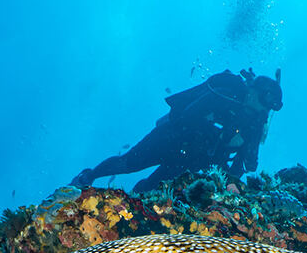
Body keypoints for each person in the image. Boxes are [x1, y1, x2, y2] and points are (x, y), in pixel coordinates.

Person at [73, 68, 282, 192]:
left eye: (269, 107)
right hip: (172, 137)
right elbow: (189, 114)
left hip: (191, 159)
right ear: (256, 93)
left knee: (151, 188)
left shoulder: (255, 124)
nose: (265, 109)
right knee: (128, 163)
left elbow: (247, 164)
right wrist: (217, 134)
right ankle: (88, 177)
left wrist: (235, 176)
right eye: (266, 102)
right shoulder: (226, 94)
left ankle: (129, 209)